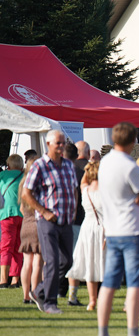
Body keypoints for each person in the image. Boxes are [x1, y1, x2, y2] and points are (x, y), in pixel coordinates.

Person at [96, 122, 139, 336]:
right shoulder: (129, 166)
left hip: (112, 231)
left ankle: (103, 334)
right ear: (134, 142)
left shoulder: (105, 163)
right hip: (132, 230)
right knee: (134, 286)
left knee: (109, 285)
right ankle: (133, 335)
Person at [21, 130, 78, 315]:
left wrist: (75, 207)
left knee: (67, 261)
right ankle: (50, 302)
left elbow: (74, 189)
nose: (61, 146)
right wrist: (43, 212)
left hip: (66, 220)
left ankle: (39, 291)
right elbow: (26, 193)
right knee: (52, 260)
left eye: (63, 143)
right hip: (48, 221)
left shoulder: (69, 165)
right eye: (58, 143)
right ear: (48, 145)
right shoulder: (40, 166)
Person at [66, 161, 105, 311]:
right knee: (104, 264)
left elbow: (82, 182)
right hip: (103, 228)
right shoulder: (106, 191)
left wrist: (88, 169)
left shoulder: (85, 190)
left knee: (90, 264)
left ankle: (92, 300)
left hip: (87, 228)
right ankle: (101, 299)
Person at [17, 157, 42, 306]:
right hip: (38, 223)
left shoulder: (23, 183)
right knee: (38, 262)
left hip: (25, 224)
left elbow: (21, 207)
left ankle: (26, 296)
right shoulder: (39, 184)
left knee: (27, 262)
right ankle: (35, 292)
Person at [0, 154, 24, 289]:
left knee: (6, 247)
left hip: (6, 214)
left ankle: (3, 279)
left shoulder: (3, 175)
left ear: (8, 165)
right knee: (18, 247)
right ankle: (15, 279)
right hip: (22, 214)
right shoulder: (25, 176)